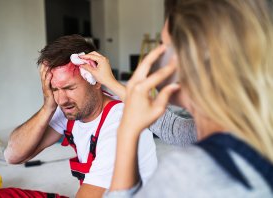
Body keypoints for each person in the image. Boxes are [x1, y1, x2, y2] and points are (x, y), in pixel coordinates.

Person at [85, 0, 273, 197]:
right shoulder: (249, 130)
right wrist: (111, 83)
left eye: (162, 45)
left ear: (188, 58)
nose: (156, 54)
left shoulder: (187, 173)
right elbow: (174, 130)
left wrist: (127, 132)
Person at [0, 35, 157, 198]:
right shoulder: (71, 110)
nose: (62, 100)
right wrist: (47, 107)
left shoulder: (119, 124)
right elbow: (13, 155)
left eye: (69, 88)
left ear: (96, 80)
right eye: (55, 89)